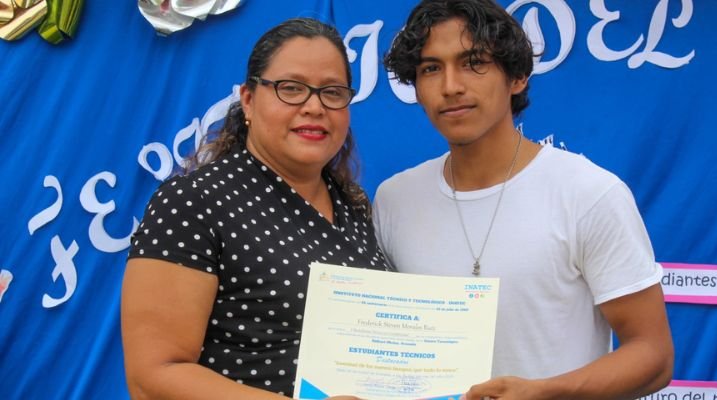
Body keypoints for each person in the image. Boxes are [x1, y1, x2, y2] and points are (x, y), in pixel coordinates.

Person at [375, 1, 674, 399]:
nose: (450, 86)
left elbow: (653, 355)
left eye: (473, 62)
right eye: (431, 68)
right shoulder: (394, 199)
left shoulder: (589, 193)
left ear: (517, 77)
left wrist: (548, 392)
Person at [121, 18, 390, 400]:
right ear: (248, 99)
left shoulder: (355, 208)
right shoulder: (195, 201)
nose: (314, 107)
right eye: (291, 89)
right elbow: (153, 377)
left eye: (332, 92)